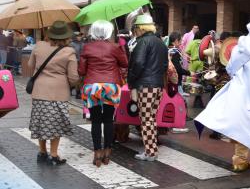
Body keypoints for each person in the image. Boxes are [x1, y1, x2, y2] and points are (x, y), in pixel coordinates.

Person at [196, 19, 250, 172]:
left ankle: (240, 161)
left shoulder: (239, 49)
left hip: (243, 94)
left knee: (243, 125)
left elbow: (231, 69)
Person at [28, 21, 80, 166]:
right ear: (66, 36)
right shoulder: (69, 52)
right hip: (58, 92)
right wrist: (71, 85)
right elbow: (73, 77)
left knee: (41, 122)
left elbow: (30, 66)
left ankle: (42, 152)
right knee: (55, 123)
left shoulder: (39, 45)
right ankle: (54, 154)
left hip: (39, 91)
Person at [78, 21, 128, 167]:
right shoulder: (115, 47)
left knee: (95, 120)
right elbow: (125, 64)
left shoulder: (87, 48)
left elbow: (81, 70)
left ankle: (97, 153)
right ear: (108, 32)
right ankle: (107, 153)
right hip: (110, 86)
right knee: (108, 120)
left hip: (92, 86)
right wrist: (121, 48)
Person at [128, 14, 168, 162]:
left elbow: (138, 64)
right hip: (157, 85)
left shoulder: (143, 42)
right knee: (151, 118)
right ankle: (152, 149)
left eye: (135, 29)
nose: (135, 32)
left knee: (145, 120)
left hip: (145, 85)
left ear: (140, 28)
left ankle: (150, 152)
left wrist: (131, 81)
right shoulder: (160, 43)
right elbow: (164, 66)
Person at [168, 31, 191, 134]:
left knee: (173, 103)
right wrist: (188, 72)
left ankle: (172, 124)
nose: (181, 42)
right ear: (176, 41)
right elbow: (177, 69)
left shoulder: (169, 50)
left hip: (170, 81)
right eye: (180, 40)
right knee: (179, 103)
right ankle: (177, 125)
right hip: (176, 82)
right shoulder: (175, 52)